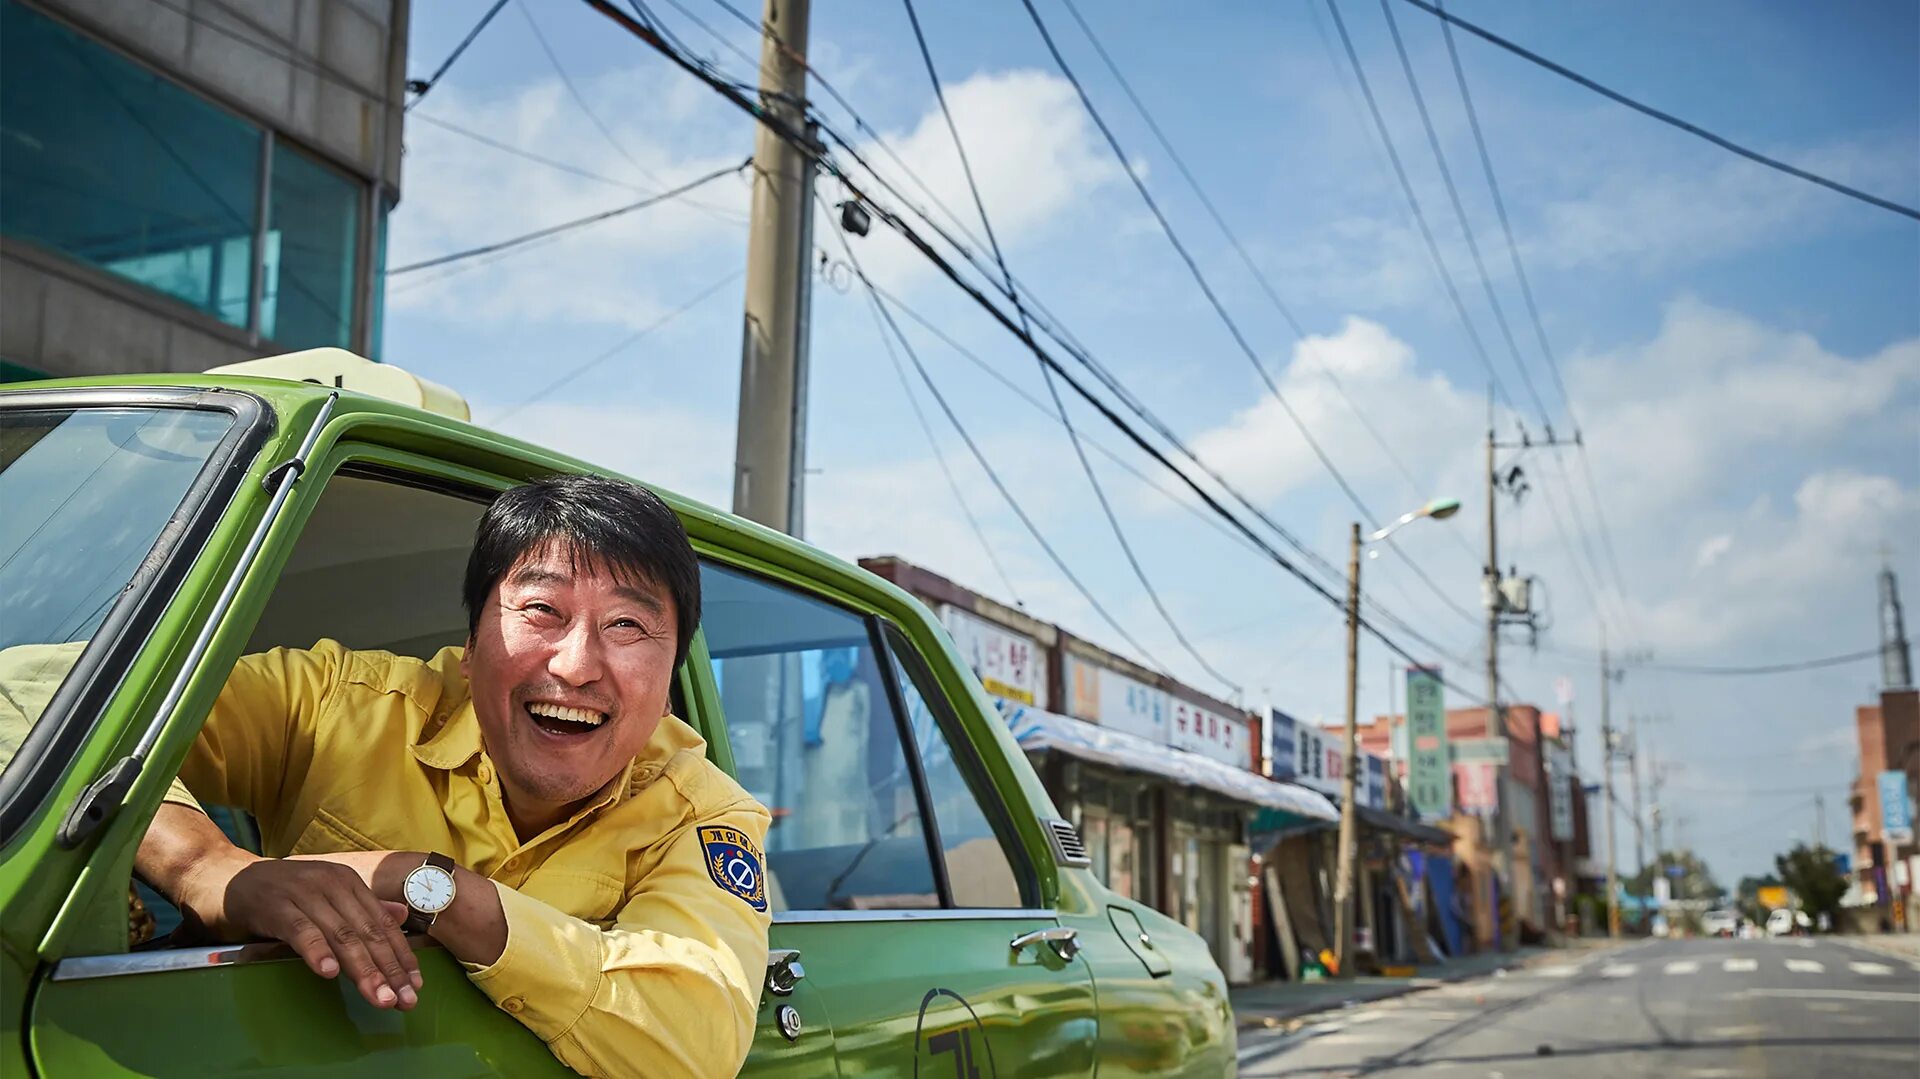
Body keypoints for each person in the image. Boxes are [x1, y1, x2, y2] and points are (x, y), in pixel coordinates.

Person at [134, 474, 771, 1079]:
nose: (577, 666)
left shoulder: (706, 814)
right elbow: (46, 700)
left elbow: (694, 1040)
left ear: (668, 689)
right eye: (542, 610)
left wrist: (428, 886)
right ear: (468, 648)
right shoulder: (338, 703)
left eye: (627, 625)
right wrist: (208, 869)